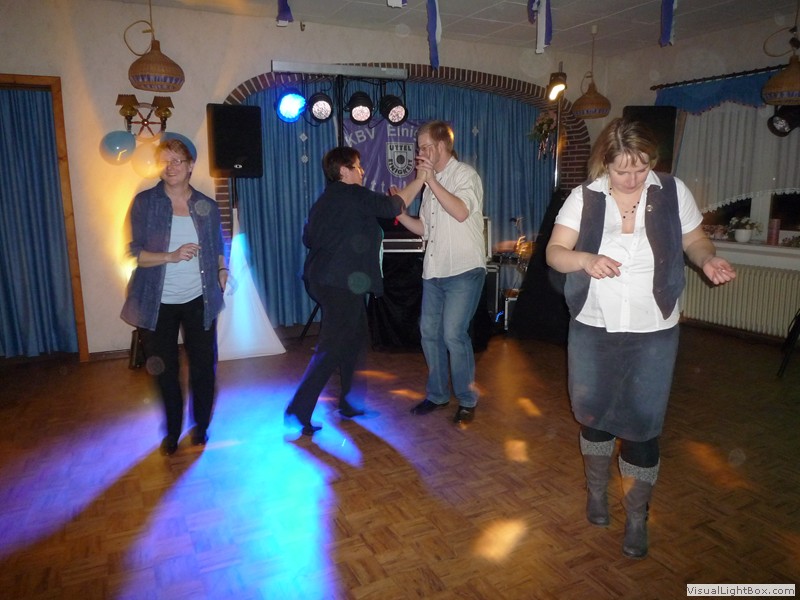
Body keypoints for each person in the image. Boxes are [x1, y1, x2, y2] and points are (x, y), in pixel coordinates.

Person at [545, 118, 736, 558]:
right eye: (622, 170)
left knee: (643, 428)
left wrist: (708, 260)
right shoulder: (585, 197)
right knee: (594, 417)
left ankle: (636, 515)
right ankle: (597, 493)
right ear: (604, 163)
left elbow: (695, 240)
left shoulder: (672, 191)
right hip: (594, 326)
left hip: (654, 331)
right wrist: (584, 259)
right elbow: (555, 254)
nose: (632, 178)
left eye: (641, 166)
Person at [285, 146, 426, 436]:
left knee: (356, 339)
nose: (362, 171)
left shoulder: (326, 200)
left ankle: (350, 403)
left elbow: (309, 238)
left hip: (326, 280)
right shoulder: (353, 194)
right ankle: (299, 407)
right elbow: (392, 206)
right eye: (358, 166)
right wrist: (421, 178)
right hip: (339, 284)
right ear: (344, 171)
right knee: (332, 347)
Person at [121, 138, 228, 456]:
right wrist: (170, 256)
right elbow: (134, 254)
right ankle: (172, 430)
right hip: (156, 302)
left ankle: (201, 425)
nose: (170, 167)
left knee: (203, 367)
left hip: (199, 299)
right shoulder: (145, 203)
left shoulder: (206, 206)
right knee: (163, 370)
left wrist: (223, 269)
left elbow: (218, 246)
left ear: (190, 165)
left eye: (177, 160)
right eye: (164, 161)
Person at [395, 121, 487, 425]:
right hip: (434, 271)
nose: (420, 153)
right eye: (419, 148)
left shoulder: (465, 175)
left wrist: (431, 181)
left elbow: (460, 212)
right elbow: (424, 228)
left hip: (464, 270)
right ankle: (437, 395)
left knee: (453, 334)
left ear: (442, 146)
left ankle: (467, 399)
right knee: (429, 333)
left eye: (425, 147)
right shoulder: (429, 184)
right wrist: (401, 215)